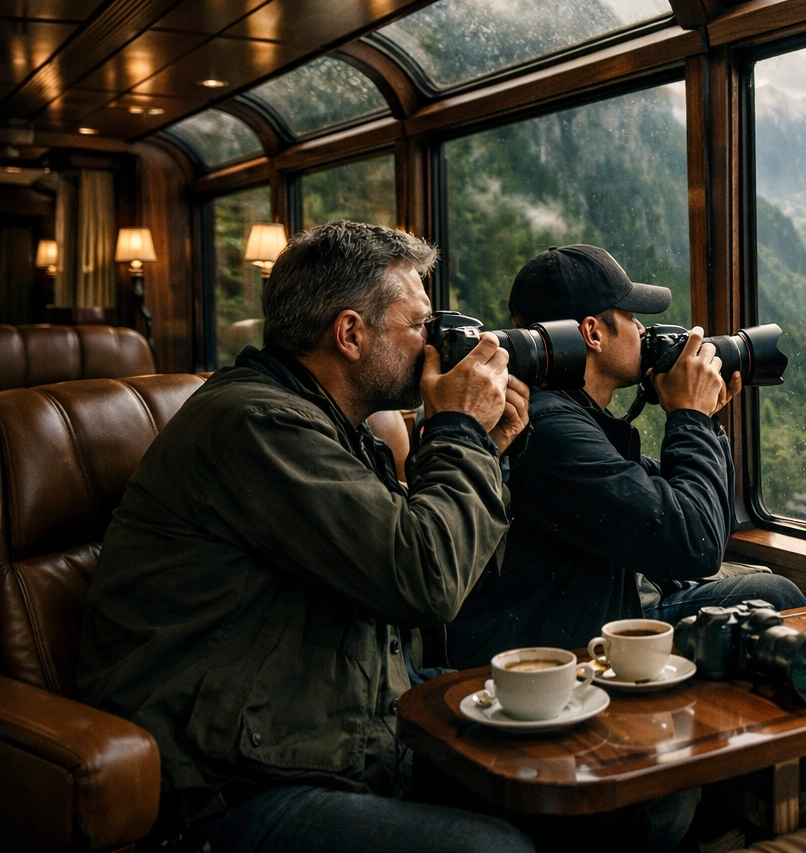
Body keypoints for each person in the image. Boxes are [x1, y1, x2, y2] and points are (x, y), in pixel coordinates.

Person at [76, 221, 536, 853]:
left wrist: (485, 450)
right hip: (230, 785)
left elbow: (458, 582)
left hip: (333, 733)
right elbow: (424, 579)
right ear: (350, 333)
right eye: (419, 325)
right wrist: (459, 433)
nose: (436, 343)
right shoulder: (256, 425)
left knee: (586, 798)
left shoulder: (339, 431)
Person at [447, 244, 806, 667]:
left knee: (760, 584)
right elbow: (698, 544)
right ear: (593, 333)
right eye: (632, 317)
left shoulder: (566, 413)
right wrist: (690, 416)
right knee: (774, 595)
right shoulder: (551, 430)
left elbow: (711, 522)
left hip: (592, 609)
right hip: (563, 647)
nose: (642, 331)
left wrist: (706, 421)